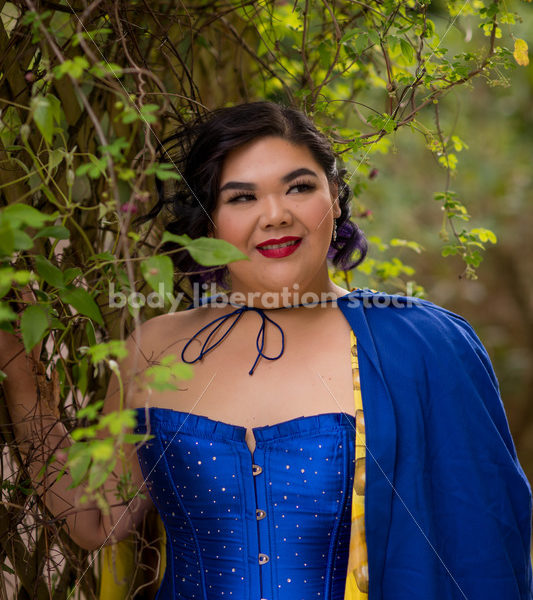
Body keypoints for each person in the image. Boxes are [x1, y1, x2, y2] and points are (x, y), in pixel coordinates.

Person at [1, 101, 532, 600]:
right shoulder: (154, 345)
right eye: (242, 197)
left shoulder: (426, 347)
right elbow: (99, 520)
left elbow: (483, 549)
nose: (275, 214)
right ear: (208, 221)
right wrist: (16, 366)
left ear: (336, 198)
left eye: (299, 187)